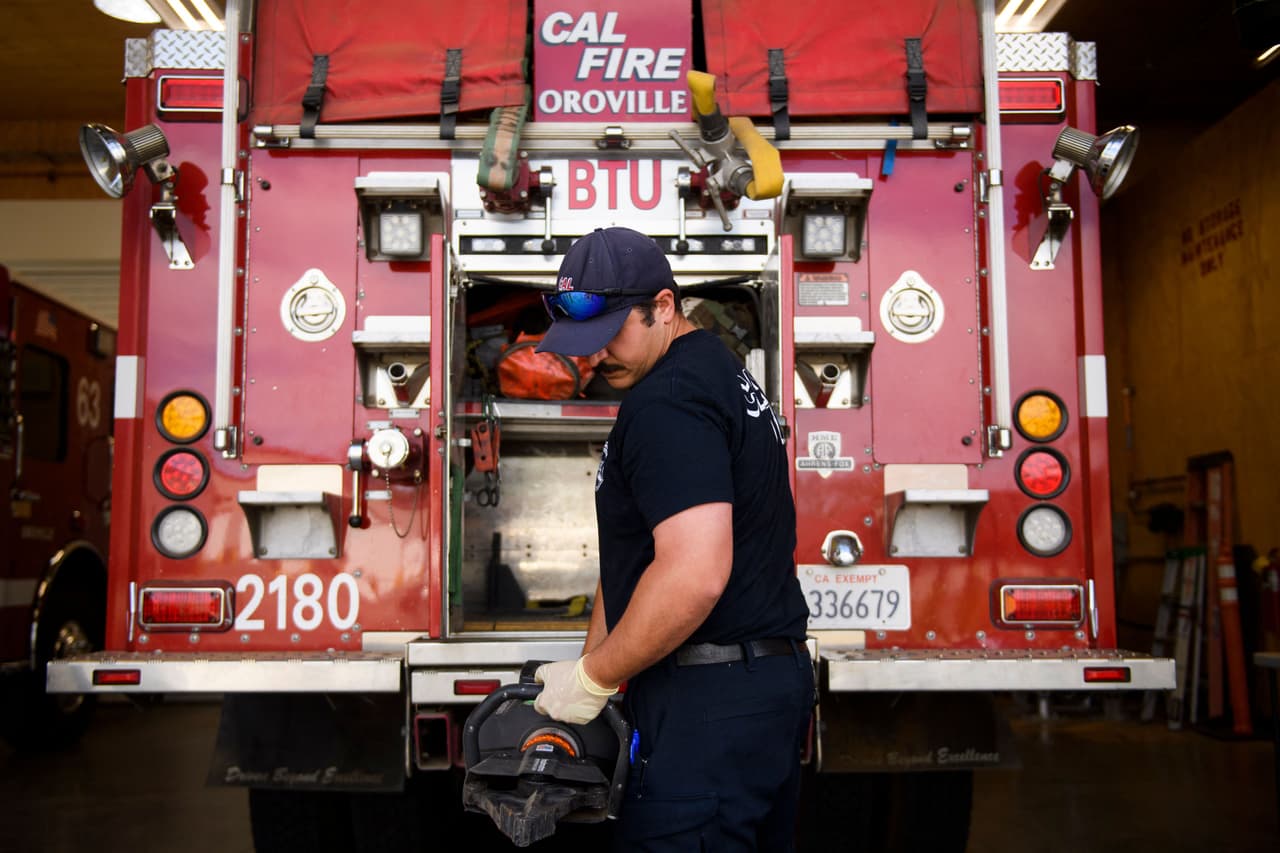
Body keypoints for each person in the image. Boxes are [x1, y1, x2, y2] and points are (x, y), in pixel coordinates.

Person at [532, 227, 814, 851]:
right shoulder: (715, 370)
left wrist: (594, 677)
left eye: (611, 333)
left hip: (708, 700)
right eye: (584, 340)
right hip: (752, 689)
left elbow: (692, 575)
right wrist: (595, 676)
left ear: (663, 307)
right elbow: (637, 559)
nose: (594, 356)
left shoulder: (669, 402)